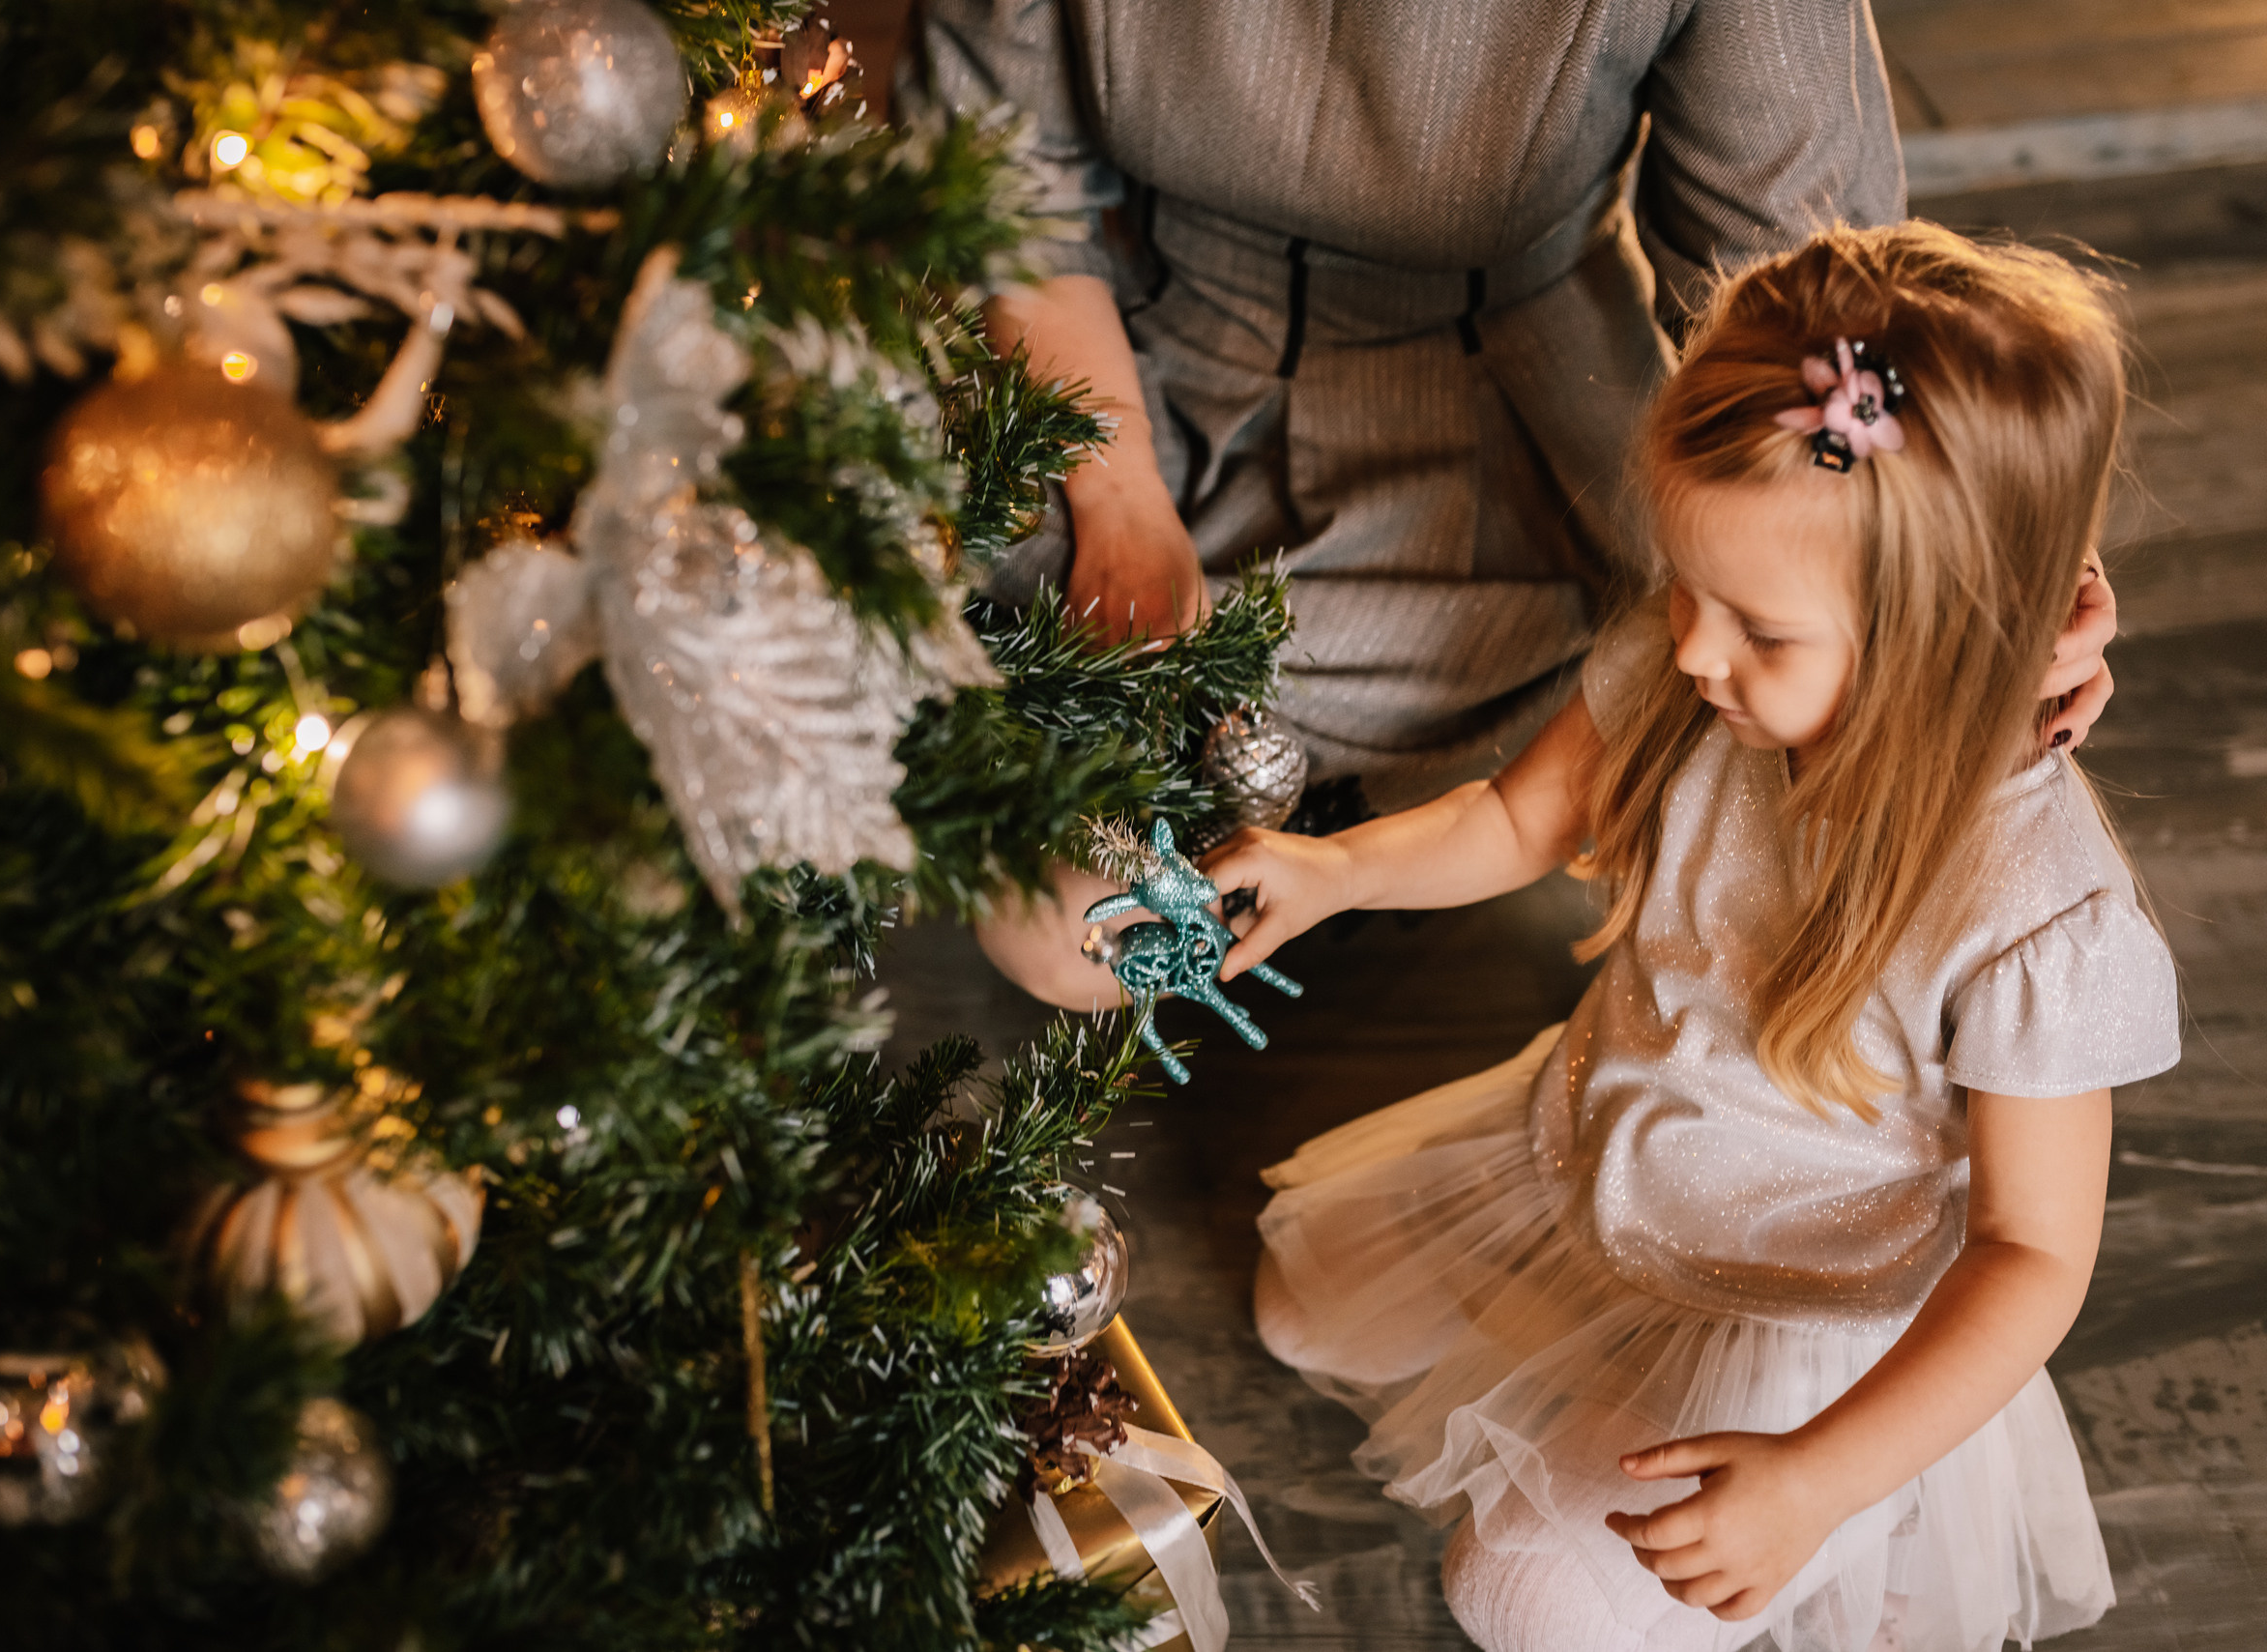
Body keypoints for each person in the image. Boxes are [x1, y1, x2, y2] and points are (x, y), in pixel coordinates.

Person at [1206, 224, 2180, 1652]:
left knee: (1524, 1594)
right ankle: (1591, 1367)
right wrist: (1333, 869)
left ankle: (1854, 1537)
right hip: (1605, 1143)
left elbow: (2031, 1255)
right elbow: (1516, 818)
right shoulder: (1701, 672)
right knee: (1301, 1300)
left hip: (1805, 1308)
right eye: (1686, 588)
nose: (1694, 649)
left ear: (1947, 637)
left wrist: (1817, 1477)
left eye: (1762, 632)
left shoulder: (2035, 913)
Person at [902, 0, 2123, 1007]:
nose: (1703, 647)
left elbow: (1830, 316)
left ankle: (1333, 808)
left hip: (1503, 414)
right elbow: (1005, 190)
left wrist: (1997, 559)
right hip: (1112, 357)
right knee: (1057, 923)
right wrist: (1116, 505)